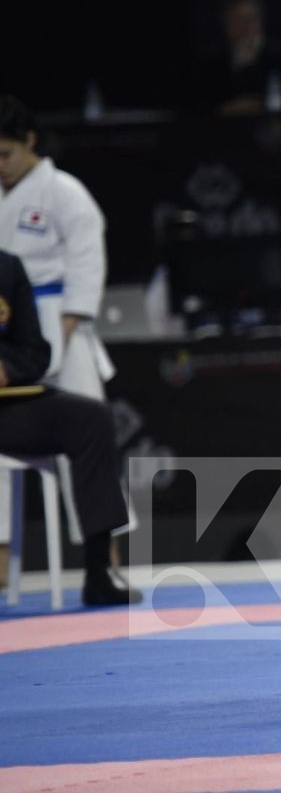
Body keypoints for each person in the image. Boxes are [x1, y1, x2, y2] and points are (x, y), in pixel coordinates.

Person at [0, 96, 130, 557]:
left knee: (89, 435)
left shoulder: (65, 192)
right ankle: (1, 555)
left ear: (29, 141)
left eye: (6, 154)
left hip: (62, 325)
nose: (2, 166)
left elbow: (86, 265)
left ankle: (105, 556)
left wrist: (66, 330)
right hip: (9, 330)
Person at [0, 248, 137, 606]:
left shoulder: (7, 267)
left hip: (5, 406)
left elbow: (35, 352)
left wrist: (7, 369)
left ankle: (98, 572)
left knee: (90, 418)